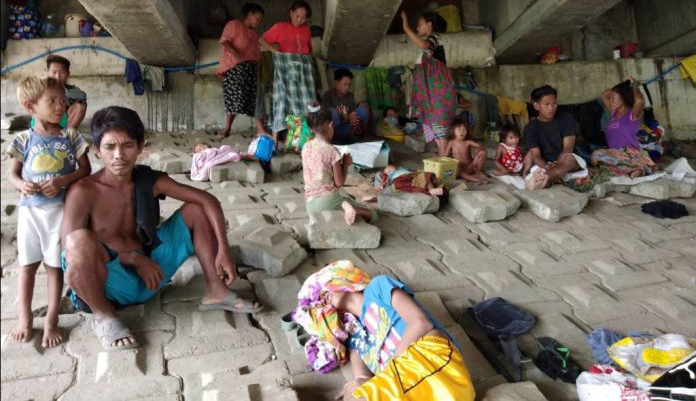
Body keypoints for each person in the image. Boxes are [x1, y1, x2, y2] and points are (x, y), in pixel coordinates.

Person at [60, 106, 262, 351]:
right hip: (109, 286)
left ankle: (216, 290)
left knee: (196, 209)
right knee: (77, 242)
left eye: (127, 145)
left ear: (141, 147)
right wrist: (133, 259)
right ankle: (104, 318)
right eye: (109, 147)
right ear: (96, 150)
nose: (119, 155)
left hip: (152, 274)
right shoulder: (83, 192)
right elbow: (69, 254)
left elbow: (208, 201)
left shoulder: (149, 180)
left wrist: (224, 250)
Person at [292, 260, 475, 401]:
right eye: (319, 302)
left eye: (323, 294)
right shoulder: (354, 338)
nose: (323, 303)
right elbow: (363, 378)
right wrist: (361, 384)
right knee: (356, 394)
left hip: (430, 358)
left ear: (340, 278)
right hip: (403, 384)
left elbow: (420, 323)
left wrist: (380, 379)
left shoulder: (378, 288)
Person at [6, 76, 91, 347]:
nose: (60, 107)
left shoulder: (71, 136)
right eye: (52, 101)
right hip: (30, 214)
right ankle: (25, 319)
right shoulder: (23, 139)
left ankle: (52, 320)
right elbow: (13, 175)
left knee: (55, 269)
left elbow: (85, 169)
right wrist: (22, 185)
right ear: (31, 106)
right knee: (27, 267)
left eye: (63, 102)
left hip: (59, 213)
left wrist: (62, 181)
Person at [302, 103, 377, 226]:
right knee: (373, 215)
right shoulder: (331, 150)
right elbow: (339, 183)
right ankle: (350, 209)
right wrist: (346, 164)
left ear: (311, 129)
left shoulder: (306, 147)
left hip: (310, 204)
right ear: (331, 125)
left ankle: (345, 206)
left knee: (345, 200)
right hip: (328, 200)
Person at [259, 0, 315, 145]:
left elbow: (309, 51)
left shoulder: (306, 30)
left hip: (303, 74)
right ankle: (274, 141)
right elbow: (261, 40)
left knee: (303, 105)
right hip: (285, 72)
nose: (300, 20)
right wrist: (274, 51)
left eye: (303, 18)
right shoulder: (280, 27)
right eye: (297, 16)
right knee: (282, 103)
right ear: (290, 13)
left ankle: (299, 142)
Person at [401, 10, 456, 156]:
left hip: (439, 93)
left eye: (420, 24)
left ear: (429, 25)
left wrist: (406, 28)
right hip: (432, 95)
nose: (418, 28)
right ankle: (443, 160)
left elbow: (424, 45)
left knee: (440, 128)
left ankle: (444, 162)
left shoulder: (434, 38)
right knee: (435, 128)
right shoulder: (429, 48)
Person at [217, 3, 266, 138]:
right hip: (235, 68)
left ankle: (260, 129)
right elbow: (224, 41)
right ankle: (227, 128)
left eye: (261, 21)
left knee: (256, 98)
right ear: (249, 15)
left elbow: (257, 53)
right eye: (257, 19)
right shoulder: (234, 25)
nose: (259, 22)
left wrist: (259, 67)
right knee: (234, 99)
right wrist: (235, 52)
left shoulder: (255, 35)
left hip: (251, 69)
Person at [523, 85, 585, 189]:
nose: (551, 108)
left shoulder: (566, 118)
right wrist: (547, 166)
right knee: (533, 161)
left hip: (568, 161)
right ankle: (551, 178)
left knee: (568, 159)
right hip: (545, 164)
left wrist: (556, 166)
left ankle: (543, 181)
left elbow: (568, 148)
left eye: (554, 103)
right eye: (546, 104)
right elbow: (536, 156)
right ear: (536, 106)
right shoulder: (530, 128)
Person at [591, 79, 655, 177]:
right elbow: (604, 94)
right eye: (610, 98)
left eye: (613, 98)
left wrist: (633, 85)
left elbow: (640, 100)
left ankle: (638, 168)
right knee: (595, 156)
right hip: (615, 156)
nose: (610, 101)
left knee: (599, 158)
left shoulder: (632, 115)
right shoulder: (614, 113)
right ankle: (635, 170)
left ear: (623, 99)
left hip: (631, 155)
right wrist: (624, 84)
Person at [29, 55, 88, 130]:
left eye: (62, 72)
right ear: (48, 72)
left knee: (81, 105)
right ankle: (44, 133)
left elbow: (82, 96)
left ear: (68, 74)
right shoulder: (41, 87)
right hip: (41, 124)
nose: (57, 76)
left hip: (61, 122)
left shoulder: (71, 89)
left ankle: (66, 135)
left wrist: (64, 96)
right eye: (54, 72)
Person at [322, 68, 371, 144]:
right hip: (336, 131)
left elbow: (355, 115)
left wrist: (354, 120)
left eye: (349, 85)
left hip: (349, 128)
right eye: (344, 84)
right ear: (336, 83)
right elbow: (327, 117)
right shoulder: (328, 96)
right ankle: (337, 141)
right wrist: (347, 117)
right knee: (333, 112)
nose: (347, 87)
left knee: (363, 110)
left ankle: (363, 137)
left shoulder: (350, 97)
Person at [447, 118, 487, 184]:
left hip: (471, 166)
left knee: (483, 152)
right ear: (453, 131)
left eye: (464, 130)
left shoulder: (467, 142)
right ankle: (478, 180)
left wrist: (477, 150)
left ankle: (478, 171)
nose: (461, 132)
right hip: (460, 168)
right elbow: (444, 156)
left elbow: (481, 146)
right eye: (459, 130)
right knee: (460, 173)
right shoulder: (451, 142)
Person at [379, 165, 444, 197]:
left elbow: (413, 171)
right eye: (388, 172)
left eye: (390, 168)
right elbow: (386, 182)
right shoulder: (390, 176)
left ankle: (431, 189)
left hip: (412, 177)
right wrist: (383, 185)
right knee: (399, 185)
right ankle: (430, 191)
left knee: (425, 175)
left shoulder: (401, 169)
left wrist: (417, 172)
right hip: (402, 180)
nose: (389, 171)